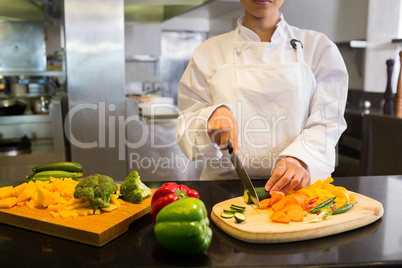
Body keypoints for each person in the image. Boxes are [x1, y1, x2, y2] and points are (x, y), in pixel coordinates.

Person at [175, 0, 348, 195]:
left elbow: (327, 122)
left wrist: (302, 157)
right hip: (222, 189)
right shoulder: (207, 52)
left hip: (296, 189)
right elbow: (186, 122)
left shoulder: (319, 48)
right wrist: (209, 117)